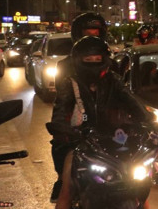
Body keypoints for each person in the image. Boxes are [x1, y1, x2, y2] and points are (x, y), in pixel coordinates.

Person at [48, 36, 155, 209]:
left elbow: (131, 101)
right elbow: (61, 109)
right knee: (67, 183)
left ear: (105, 59)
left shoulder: (113, 80)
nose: (93, 63)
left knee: (139, 185)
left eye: (97, 59)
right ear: (78, 60)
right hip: (80, 143)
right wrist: (63, 129)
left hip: (113, 141)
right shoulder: (70, 84)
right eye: (88, 59)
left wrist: (149, 120)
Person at [49, 12, 108, 203]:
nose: (91, 38)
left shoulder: (110, 63)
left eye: (95, 33)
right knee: (66, 181)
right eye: (86, 33)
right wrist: (62, 128)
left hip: (108, 128)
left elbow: (124, 95)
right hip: (78, 128)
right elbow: (63, 101)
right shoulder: (65, 66)